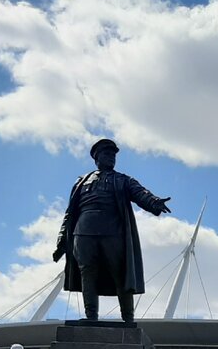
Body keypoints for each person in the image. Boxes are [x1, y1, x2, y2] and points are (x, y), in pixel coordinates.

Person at [53, 138, 172, 323]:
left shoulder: (123, 180)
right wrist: (61, 240)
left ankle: (128, 319)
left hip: (113, 232)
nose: (111, 158)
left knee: (120, 272)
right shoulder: (81, 181)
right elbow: (70, 213)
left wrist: (154, 202)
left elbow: (140, 193)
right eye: (107, 154)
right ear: (96, 157)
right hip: (83, 232)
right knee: (87, 272)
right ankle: (91, 316)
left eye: (113, 155)